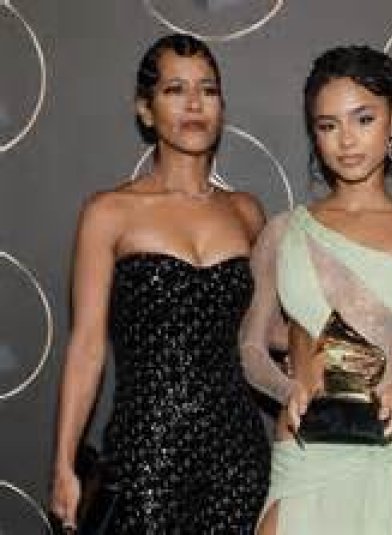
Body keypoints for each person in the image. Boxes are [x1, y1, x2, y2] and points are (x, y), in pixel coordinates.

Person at [50, 33, 284, 533]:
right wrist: (64, 463)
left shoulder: (246, 212)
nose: (195, 104)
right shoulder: (109, 212)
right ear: (145, 109)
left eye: (208, 89)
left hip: (236, 453)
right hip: (145, 453)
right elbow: (87, 346)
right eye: (175, 89)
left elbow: (266, 334)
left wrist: (358, 334)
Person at [241, 45, 392, 535]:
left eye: (363, 119)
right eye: (328, 125)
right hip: (304, 448)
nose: (346, 140)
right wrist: (287, 389)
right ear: (314, 133)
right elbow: (252, 348)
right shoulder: (283, 232)